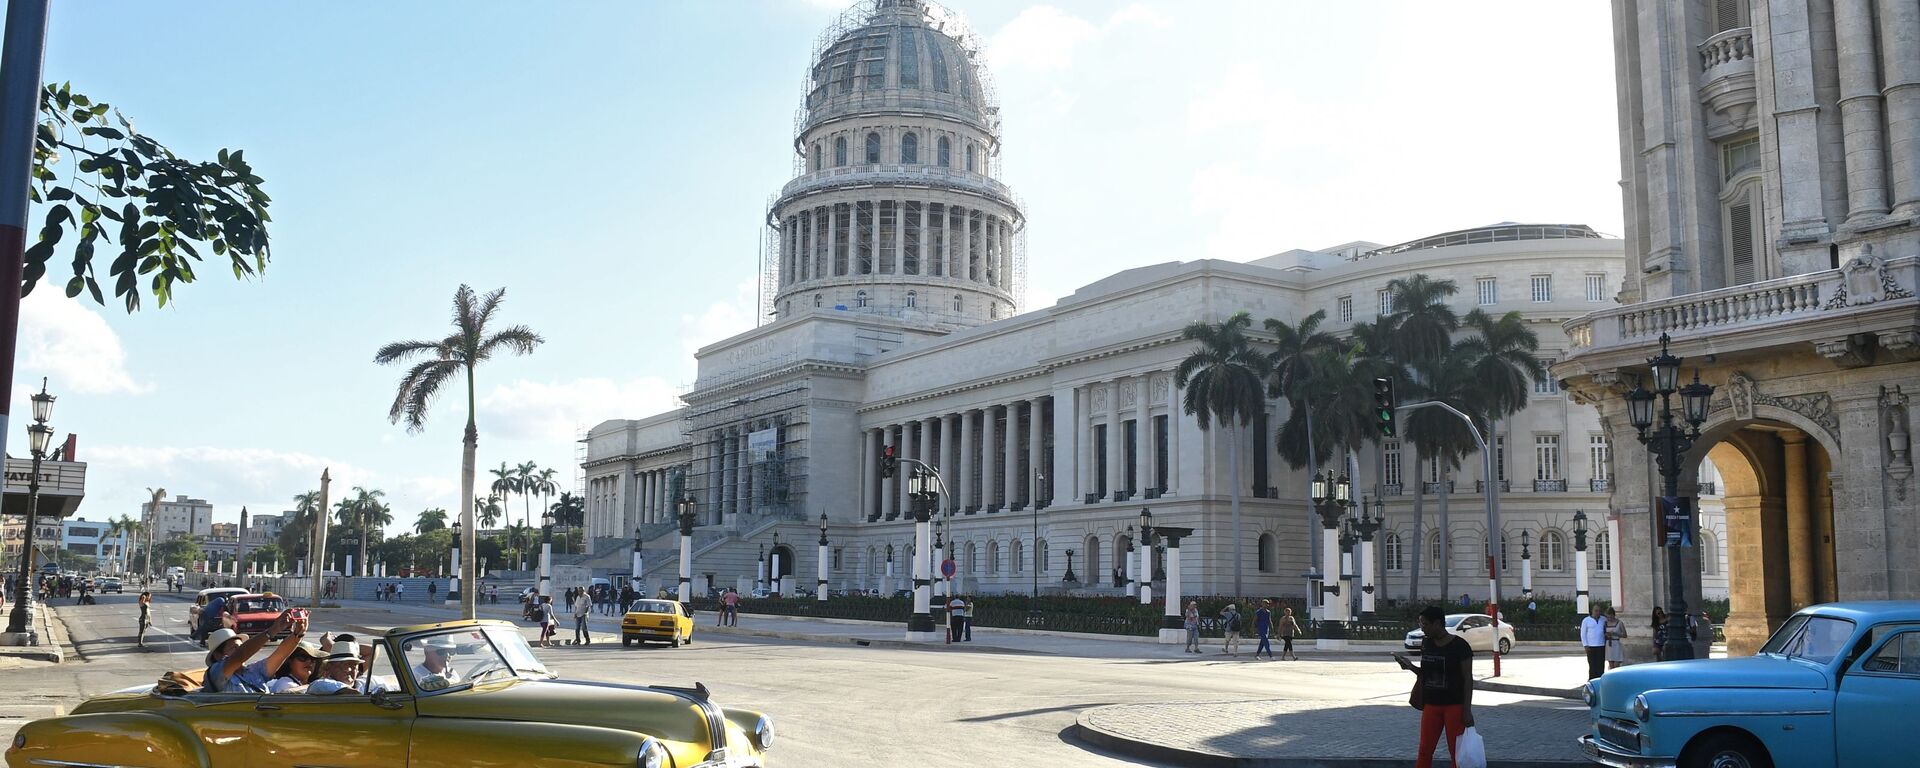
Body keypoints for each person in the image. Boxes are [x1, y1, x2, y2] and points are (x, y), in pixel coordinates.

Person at [1396, 605, 1475, 768]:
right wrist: (1410, 666)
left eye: (1425, 624)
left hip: (1454, 706)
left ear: (1437, 623)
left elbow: (1468, 679)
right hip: (1431, 705)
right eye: (1421, 624)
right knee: (1425, 750)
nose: (1422, 628)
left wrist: (1467, 710)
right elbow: (1425, 673)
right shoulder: (1427, 643)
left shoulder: (1460, 646)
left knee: (1456, 752)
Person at [205, 611, 308, 693]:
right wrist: (272, 631)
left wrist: (298, 633)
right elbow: (241, 654)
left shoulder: (252, 671)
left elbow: (280, 654)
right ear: (218, 655)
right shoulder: (215, 673)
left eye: (241, 646)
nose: (240, 650)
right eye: (234, 648)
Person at [1580, 604, 1608, 679]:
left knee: (1601, 665)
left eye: (1599, 611)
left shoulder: (1604, 619)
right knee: (1592, 665)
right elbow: (1583, 634)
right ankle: (1592, 681)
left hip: (1601, 645)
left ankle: (1600, 680)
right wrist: (1585, 645)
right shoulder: (1586, 620)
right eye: (1596, 611)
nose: (1597, 612)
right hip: (1591, 646)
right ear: (1592, 611)